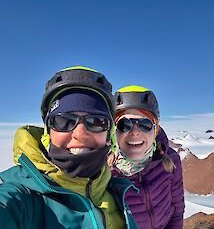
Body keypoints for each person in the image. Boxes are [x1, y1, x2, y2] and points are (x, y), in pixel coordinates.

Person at [0, 66, 138, 229]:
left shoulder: (117, 193)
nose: (79, 134)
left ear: (109, 135)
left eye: (96, 122)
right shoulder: (22, 200)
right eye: (63, 121)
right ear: (48, 133)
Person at [111, 85, 185, 229]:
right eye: (124, 124)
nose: (135, 132)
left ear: (156, 129)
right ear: (114, 130)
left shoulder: (170, 160)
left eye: (145, 124)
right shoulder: (104, 172)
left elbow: (176, 211)